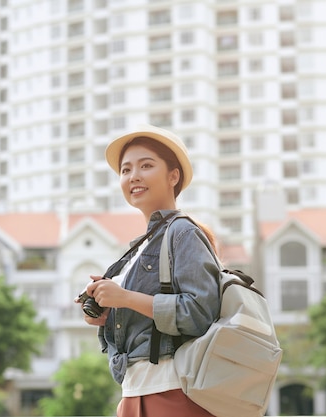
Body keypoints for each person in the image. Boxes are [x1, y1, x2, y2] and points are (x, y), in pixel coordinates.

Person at [75, 124, 221, 417]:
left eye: (146, 165)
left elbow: (200, 313)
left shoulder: (182, 233)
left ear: (173, 176)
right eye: (126, 170)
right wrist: (109, 315)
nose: (134, 176)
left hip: (171, 393)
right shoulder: (138, 248)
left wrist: (126, 299)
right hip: (136, 392)